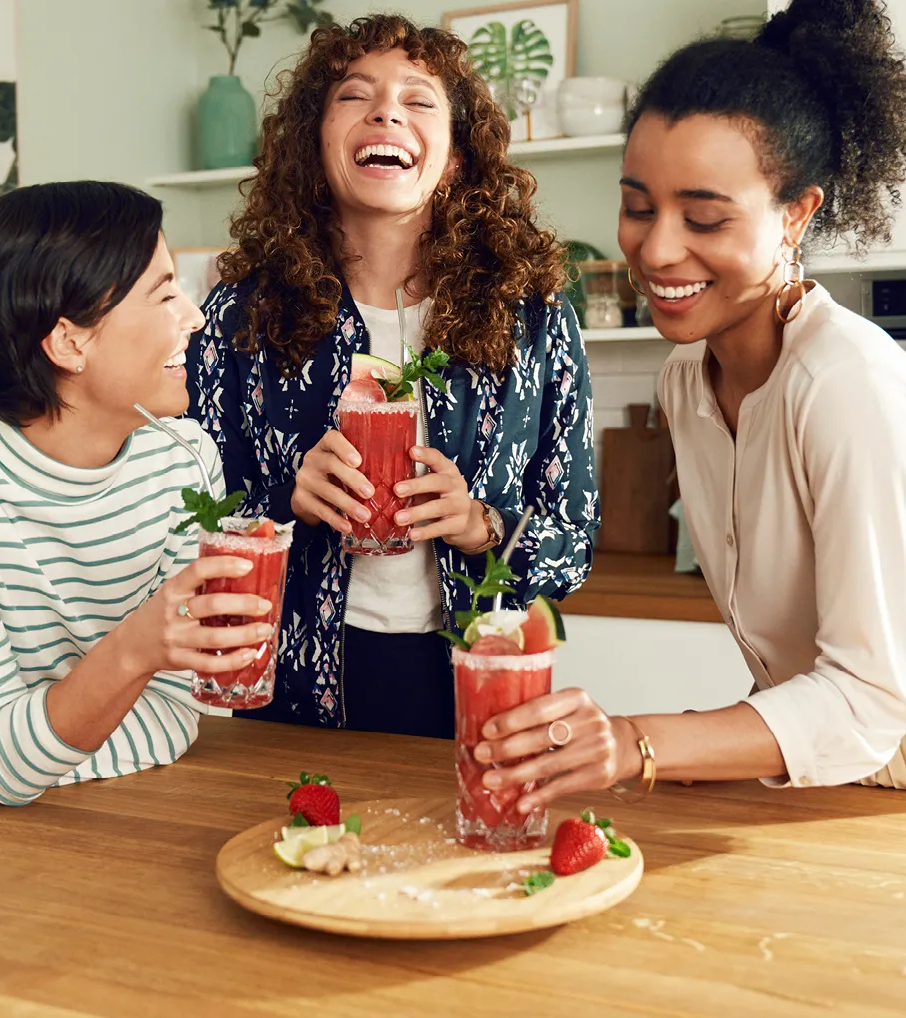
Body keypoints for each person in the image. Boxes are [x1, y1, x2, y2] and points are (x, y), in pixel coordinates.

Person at [476, 0, 906, 806]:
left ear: (797, 214)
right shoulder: (686, 378)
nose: (656, 249)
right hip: (828, 760)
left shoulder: (847, 386)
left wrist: (631, 741)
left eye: (706, 216)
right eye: (639, 206)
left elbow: (863, 700)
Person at [186, 15, 598, 737]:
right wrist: (283, 502)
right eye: (355, 96)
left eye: (419, 99)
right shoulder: (238, 313)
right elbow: (182, 520)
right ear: (313, 143)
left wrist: (480, 525)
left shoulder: (531, 317)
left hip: (472, 682)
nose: (386, 111)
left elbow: (574, 539)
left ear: (459, 156)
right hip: (286, 685)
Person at [0, 181, 276, 806]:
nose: (194, 317)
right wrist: (137, 649)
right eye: (165, 293)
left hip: (101, 817)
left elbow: (174, 716)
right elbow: (1, 760)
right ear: (69, 342)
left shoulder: (182, 461)